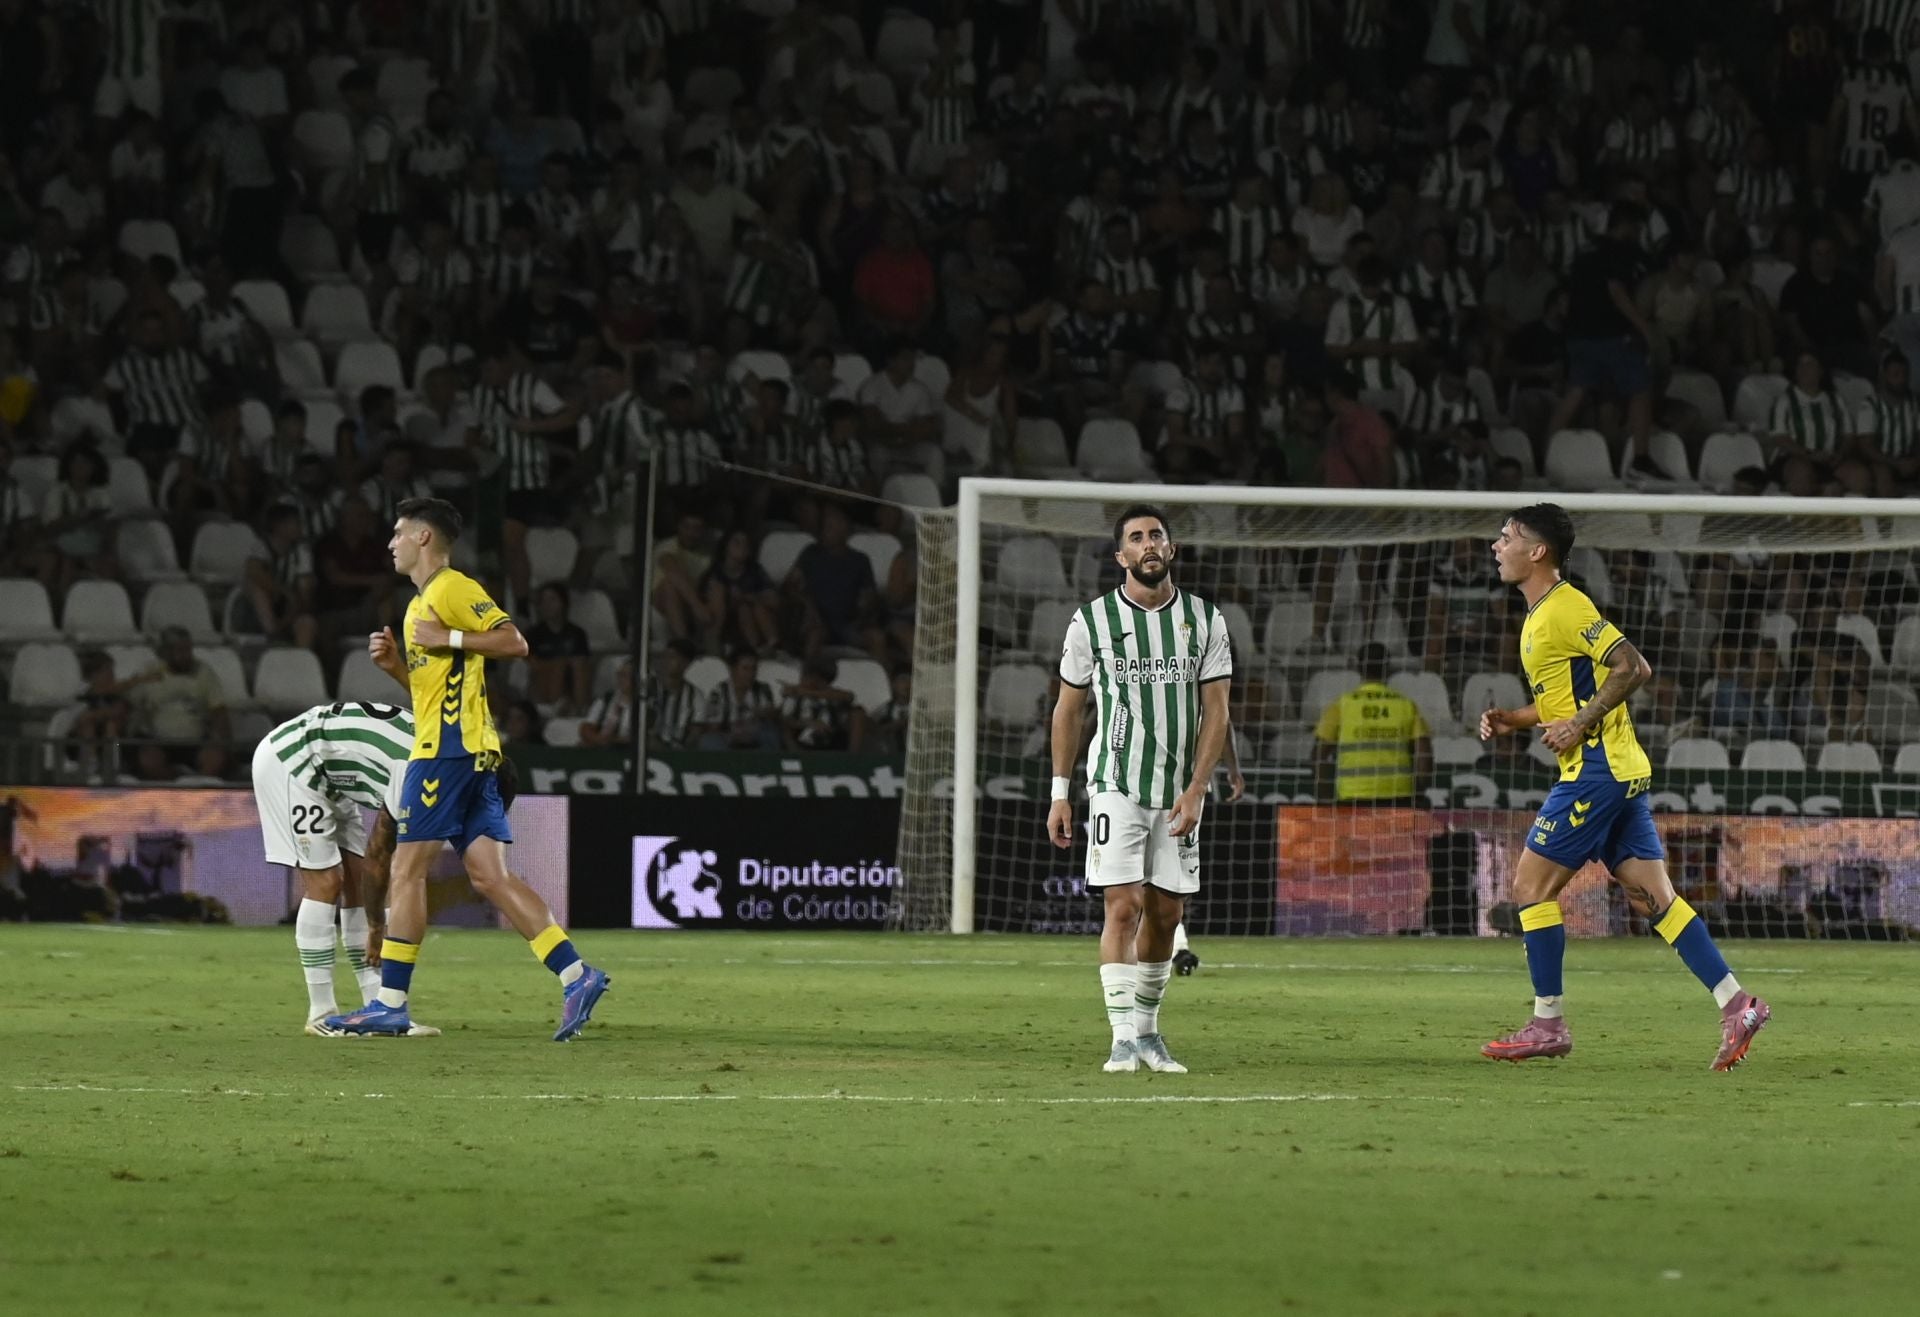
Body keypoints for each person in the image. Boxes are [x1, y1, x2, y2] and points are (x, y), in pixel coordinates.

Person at [1477, 505, 1770, 1070]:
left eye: (1508, 536)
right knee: (1653, 899)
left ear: (1537, 552)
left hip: (1598, 769)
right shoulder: (1539, 615)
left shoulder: (1566, 607)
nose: (1497, 545)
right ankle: (1738, 1003)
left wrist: (1581, 724)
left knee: (1530, 888)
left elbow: (1633, 667)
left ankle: (1547, 1023)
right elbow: (1565, 699)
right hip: (1617, 768)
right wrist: (1515, 718)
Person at [323, 498, 609, 1041]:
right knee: (489, 876)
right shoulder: (420, 604)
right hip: (471, 750)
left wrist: (447, 638)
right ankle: (577, 975)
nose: (391, 543)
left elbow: (514, 642)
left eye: (399, 533)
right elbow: (434, 694)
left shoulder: (450, 588)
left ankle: (389, 1003)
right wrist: (396, 669)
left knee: (407, 871)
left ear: (424, 539)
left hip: (446, 755)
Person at [1046, 504, 1232, 1075]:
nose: (1148, 544)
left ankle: (1149, 1034)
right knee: (1122, 907)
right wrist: (1060, 790)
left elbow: (1217, 712)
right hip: (1115, 783)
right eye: (1136, 538)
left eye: (1156, 535)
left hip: (1178, 790)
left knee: (1167, 915)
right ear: (1120, 556)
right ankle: (1122, 1037)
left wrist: (1198, 788)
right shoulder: (1092, 622)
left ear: (1170, 550)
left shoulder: (1205, 620)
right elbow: (1068, 710)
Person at [253, 700, 440, 1037]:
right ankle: (321, 1011)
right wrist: (376, 925)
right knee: (326, 882)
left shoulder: (437, 751)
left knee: (355, 884)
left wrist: (375, 922)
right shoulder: (415, 771)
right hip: (292, 761)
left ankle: (377, 1006)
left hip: (334, 775)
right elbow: (379, 855)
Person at [1312, 643, 1432, 803]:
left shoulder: (1341, 704)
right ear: (1388, 668)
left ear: (1358, 667)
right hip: (1398, 793)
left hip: (1354, 794)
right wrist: (1419, 791)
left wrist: (1324, 795)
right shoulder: (1406, 704)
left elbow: (1319, 754)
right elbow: (1424, 754)